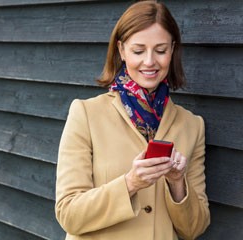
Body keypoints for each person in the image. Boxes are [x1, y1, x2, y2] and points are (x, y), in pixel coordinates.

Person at [55, 1, 210, 239]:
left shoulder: (192, 126)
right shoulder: (86, 114)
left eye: (160, 50)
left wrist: (178, 183)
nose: (150, 61)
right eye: (138, 51)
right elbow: (68, 215)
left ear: (172, 50)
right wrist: (130, 183)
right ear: (121, 50)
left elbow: (194, 229)